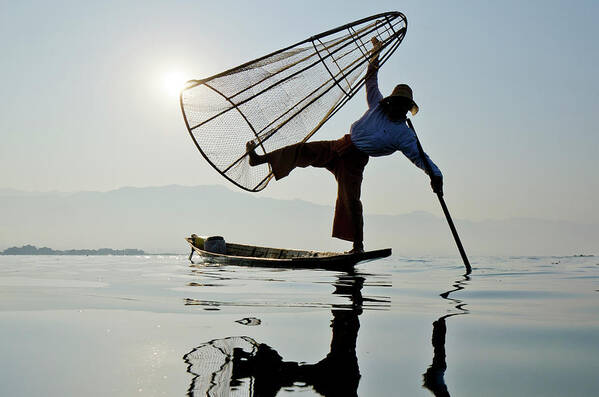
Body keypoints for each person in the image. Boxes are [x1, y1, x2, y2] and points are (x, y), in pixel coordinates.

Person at [247, 37, 443, 253]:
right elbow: (371, 79)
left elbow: (420, 157)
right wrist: (375, 53)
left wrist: (436, 176)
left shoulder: (404, 135)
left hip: (354, 160)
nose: (398, 108)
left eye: (403, 106)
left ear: (406, 108)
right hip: (340, 145)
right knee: (303, 150)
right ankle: (260, 159)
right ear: (391, 101)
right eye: (396, 103)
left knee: (350, 200)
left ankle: (357, 246)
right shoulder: (378, 106)